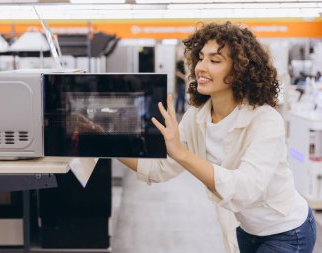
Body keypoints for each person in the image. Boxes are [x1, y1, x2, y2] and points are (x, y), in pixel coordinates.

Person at [119, 22, 316, 253]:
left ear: (240, 71)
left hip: (288, 232)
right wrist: (99, 141)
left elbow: (245, 188)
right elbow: (159, 168)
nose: (201, 67)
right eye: (201, 57)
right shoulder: (197, 117)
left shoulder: (265, 120)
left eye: (215, 60)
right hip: (246, 231)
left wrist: (181, 153)